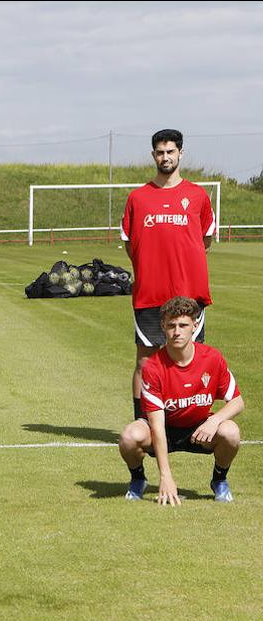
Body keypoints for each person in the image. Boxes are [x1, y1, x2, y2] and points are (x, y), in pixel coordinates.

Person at [121, 129, 216, 420]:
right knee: (145, 362)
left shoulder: (197, 195)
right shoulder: (138, 198)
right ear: (153, 155)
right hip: (150, 294)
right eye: (160, 152)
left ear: (180, 154)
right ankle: (143, 424)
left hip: (188, 295)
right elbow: (129, 243)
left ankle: (190, 422)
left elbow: (206, 240)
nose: (165, 157)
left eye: (170, 151)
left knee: (192, 361)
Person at [118, 296, 242, 504]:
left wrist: (214, 421)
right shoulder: (153, 367)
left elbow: (237, 401)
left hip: (198, 428)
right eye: (171, 325)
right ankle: (138, 479)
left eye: (183, 325)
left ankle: (219, 480)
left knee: (230, 431)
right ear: (162, 326)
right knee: (130, 437)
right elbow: (157, 426)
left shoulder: (212, 358)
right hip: (164, 428)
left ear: (195, 325)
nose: (177, 332)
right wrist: (165, 476)